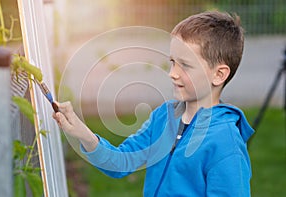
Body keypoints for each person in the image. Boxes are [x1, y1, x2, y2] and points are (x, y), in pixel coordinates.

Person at [53, 10, 254, 196]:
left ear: (219, 75)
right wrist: (83, 134)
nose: (172, 73)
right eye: (173, 62)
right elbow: (121, 162)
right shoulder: (163, 117)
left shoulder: (225, 144)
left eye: (185, 65)